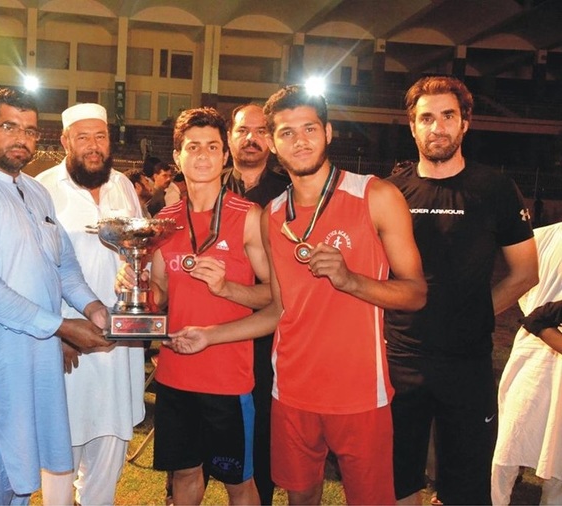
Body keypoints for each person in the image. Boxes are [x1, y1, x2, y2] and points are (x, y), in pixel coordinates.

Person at [168, 86, 427, 505]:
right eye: (287, 132)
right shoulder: (272, 215)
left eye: (309, 128)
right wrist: (209, 334)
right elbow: (279, 310)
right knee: (299, 498)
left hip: (359, 393)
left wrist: (351, 280)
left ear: (328, 132)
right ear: (272, 143)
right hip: (289, 392)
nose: (300, 140)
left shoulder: (375, 195)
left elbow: (416, 294)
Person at [0, 88, 112, 505]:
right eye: (9, 126)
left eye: (31, 131)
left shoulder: (36, 191)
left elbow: (63, 265)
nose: (22, 138)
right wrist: (61, 327)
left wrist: (93, 307)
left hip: (39, 356)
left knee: (22, 472)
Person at [385, 75, 539, 505]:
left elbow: (525, 272)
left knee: (466, 488)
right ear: (412, 126)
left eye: (448, 116)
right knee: (398, 481)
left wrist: (475, 313)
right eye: (426, 118)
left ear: (465, 123)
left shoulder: (495, 189)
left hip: (467, 362)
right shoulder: (390, 192)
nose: (437, 127)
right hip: (400, 359)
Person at [119, 107, 271, 505]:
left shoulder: (248, 217)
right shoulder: (164, 221)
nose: (203, 155)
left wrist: (227, 288)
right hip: (175, 374)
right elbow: (160, 292)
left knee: (239, 485)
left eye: (212, 147)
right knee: (185, 474)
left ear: (225, 156)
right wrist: (136, 286)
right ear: (177, 156)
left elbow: (276, 297)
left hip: (228, 379)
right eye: (193, 147)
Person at [35, 103, 146, 505]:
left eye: (100, 137)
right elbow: (35, 269)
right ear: (65, 141)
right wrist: (57, 332)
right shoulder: (42, 189)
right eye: (83, 137)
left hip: (119, 340)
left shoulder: (123, 185)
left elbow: (139, 249)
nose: (93, 146)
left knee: (111, 443)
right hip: (70, 342)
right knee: (62, 450)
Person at [220, 102, 289, 505]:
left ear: (273, 141)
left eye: (262, 131)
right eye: (243, 130)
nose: (251, 138)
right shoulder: (204, 185)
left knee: (262, 432)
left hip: (270, 337)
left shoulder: (289, 194)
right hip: (211, 328)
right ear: (230, 137)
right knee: (196, 442)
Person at [492, 220, 562, 505]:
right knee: (512, 437)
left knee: (557, 450)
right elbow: (535, 313)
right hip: (535, 353)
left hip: (538, 344)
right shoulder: (542, 237)